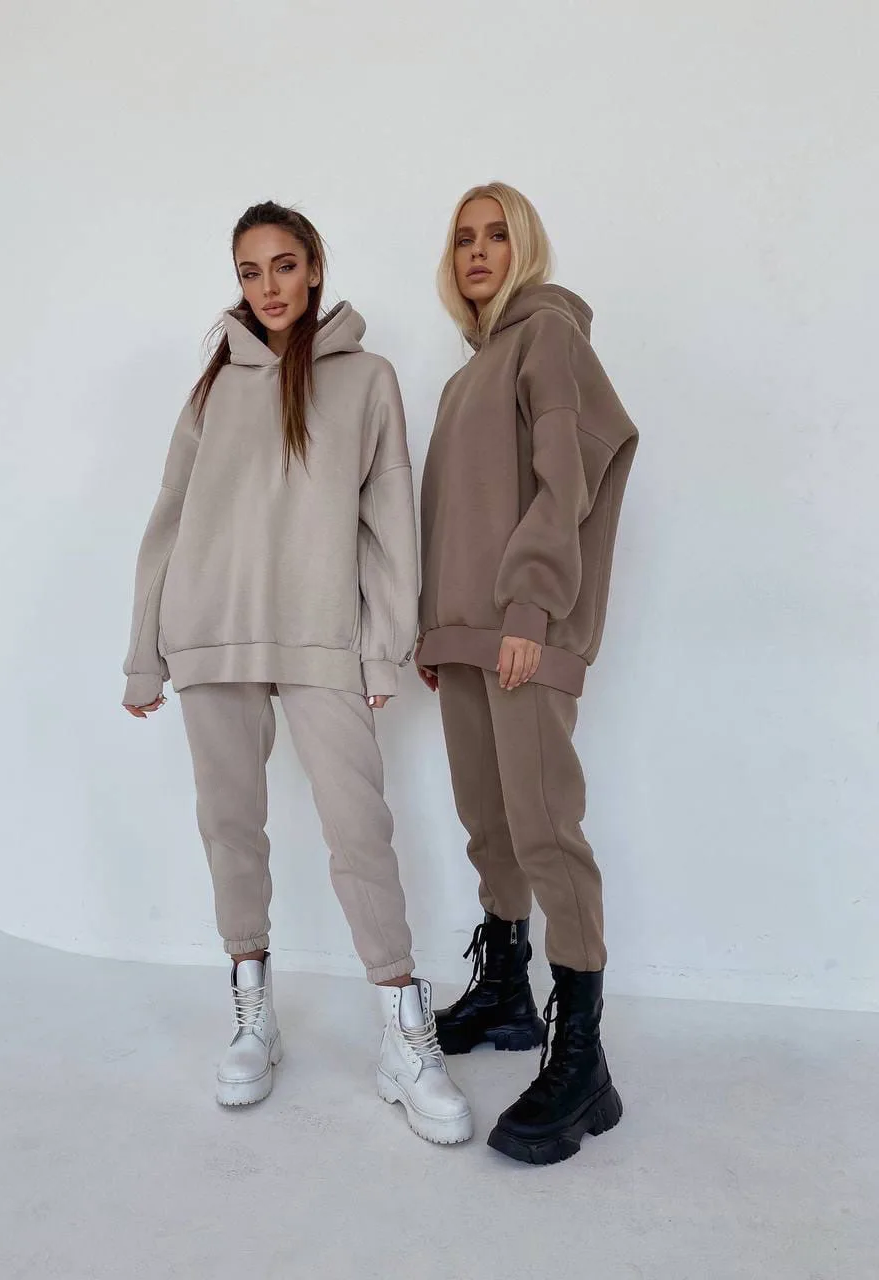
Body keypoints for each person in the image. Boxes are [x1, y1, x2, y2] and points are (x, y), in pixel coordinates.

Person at [122, 201, 472, 1146]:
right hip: (212, 631)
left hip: (321, 635)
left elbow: (389, 519)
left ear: (314, 266)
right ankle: (253, 1015)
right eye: (249, 271)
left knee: (360, 829)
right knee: (230, 825)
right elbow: (168, 520)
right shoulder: (211, 389)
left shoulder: (367, 378)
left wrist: (384, 644)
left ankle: (404, 1033)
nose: (268, 286)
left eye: (283, 265)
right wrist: (146, 651)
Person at [416, 182, 638, 1164]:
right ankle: (507, 991)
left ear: (527, 247)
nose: (477, 250)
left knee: (547, 828)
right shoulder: (468, 373)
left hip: (522, 631)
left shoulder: (549, 336)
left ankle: (584, 1059)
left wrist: (531, 608)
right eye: (464, 237)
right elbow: (453, 511)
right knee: (490, 822)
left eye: (497, 234)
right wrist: (437, 627)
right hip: (468, 636)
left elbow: (568, 478)